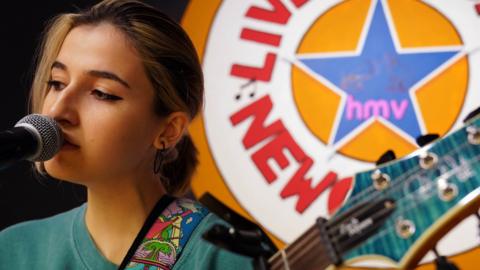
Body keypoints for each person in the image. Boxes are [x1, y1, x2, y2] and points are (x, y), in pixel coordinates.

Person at [0, 0, 254, 269]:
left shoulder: (222, 256)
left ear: (169, 130)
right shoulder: (14, 250)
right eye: (57, 83)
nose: (57, 110)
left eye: (101, 93)